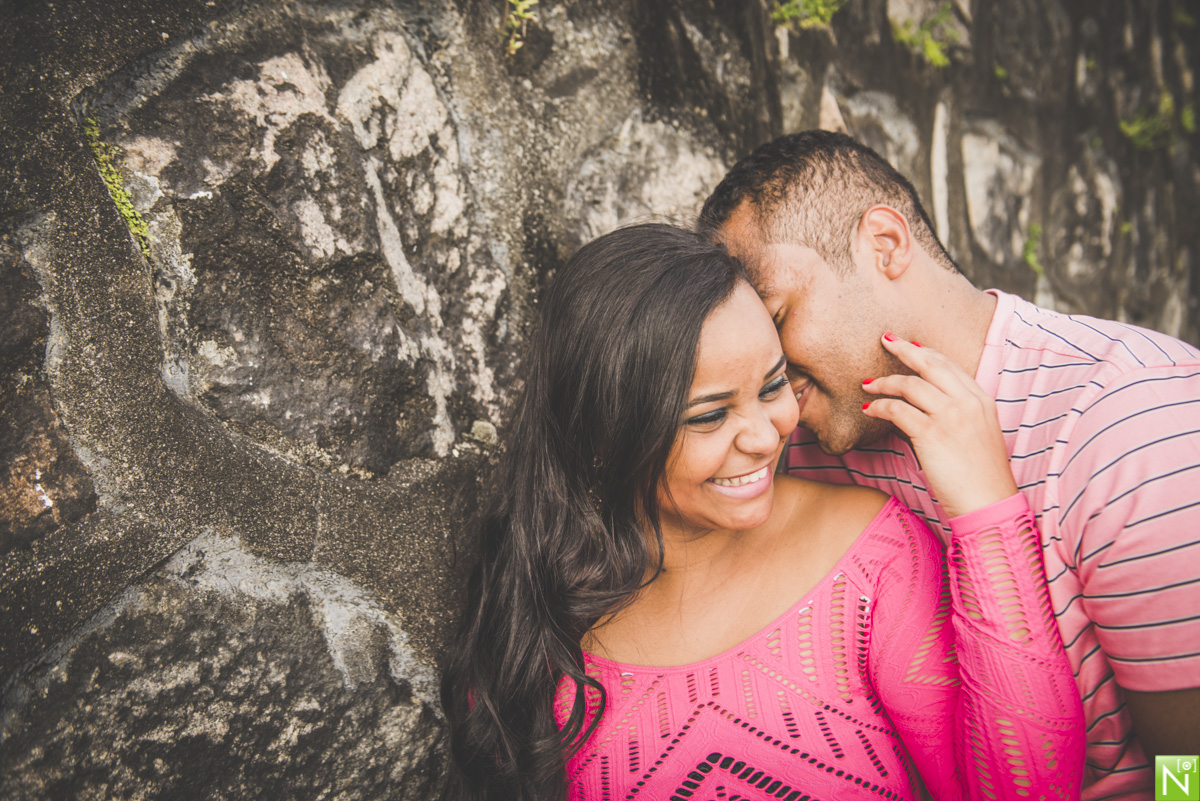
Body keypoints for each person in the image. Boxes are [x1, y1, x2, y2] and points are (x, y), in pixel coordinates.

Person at [442, 223, 1084, 801]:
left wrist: (988, 516)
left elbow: (1034, 788)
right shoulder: (532, 612)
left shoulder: (870, 558)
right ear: (603, 437)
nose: (766, 434)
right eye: (710, 415)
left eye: (774, 385)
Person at [697, 129, 1200, 800]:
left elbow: (1188, 766)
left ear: (885, 244)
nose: (776, 390)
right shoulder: (804, 449)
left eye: (780, 317)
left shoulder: (1132, 424)